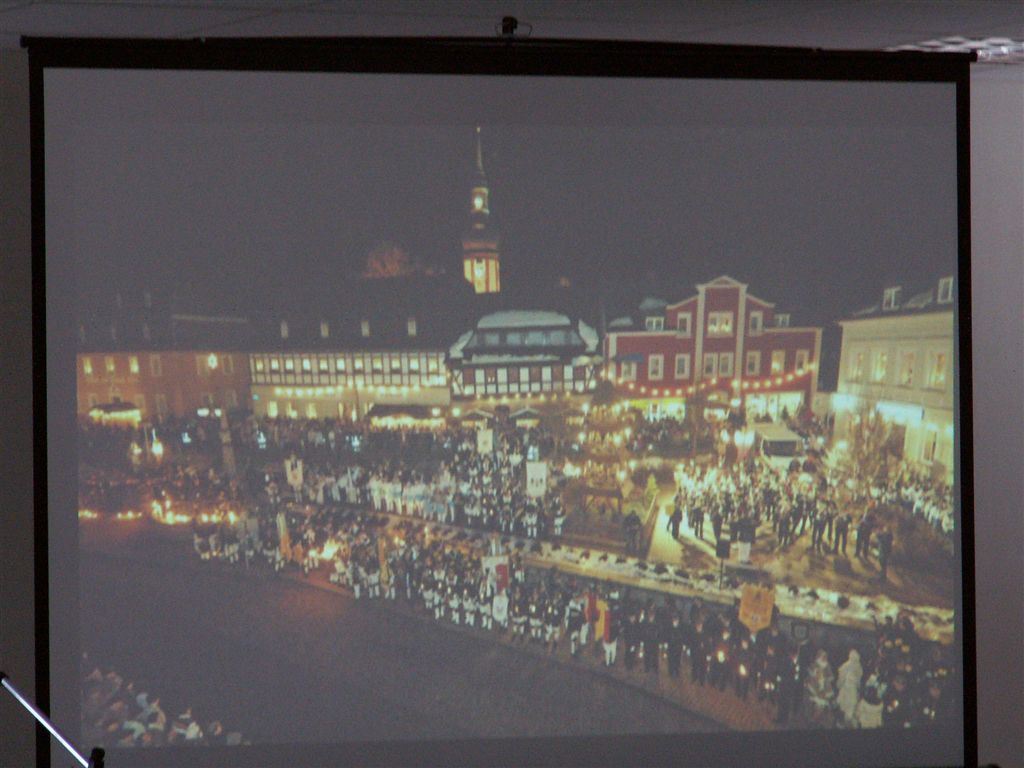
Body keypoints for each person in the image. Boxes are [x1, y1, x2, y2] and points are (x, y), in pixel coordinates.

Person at [836, 649, 863, 728]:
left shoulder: (852, 666)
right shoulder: (850, 666)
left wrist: (839, 685)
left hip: (850, 690)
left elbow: (858, 680)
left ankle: (847, 722)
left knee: (849, 706)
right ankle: (845, 722)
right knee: (849, 706)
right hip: (848, 689)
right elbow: (842, 679)